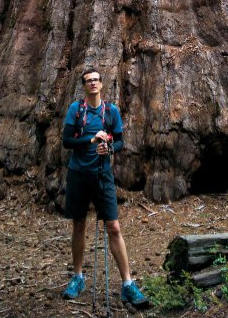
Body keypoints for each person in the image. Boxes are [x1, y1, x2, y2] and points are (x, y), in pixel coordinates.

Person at [61, 66, 149, 308]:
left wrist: (109, 148)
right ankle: (78, 277)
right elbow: (67, 141)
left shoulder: (110, 111)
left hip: (102, 174)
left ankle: (128, 284)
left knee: (114, 226)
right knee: (79, 223)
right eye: (88, 80)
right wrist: (90, 140)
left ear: (102, 84)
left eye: (96, 80)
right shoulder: (75, 110)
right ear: (84, 85)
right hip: (78, 174)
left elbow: (119, 140)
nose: (93, 83)